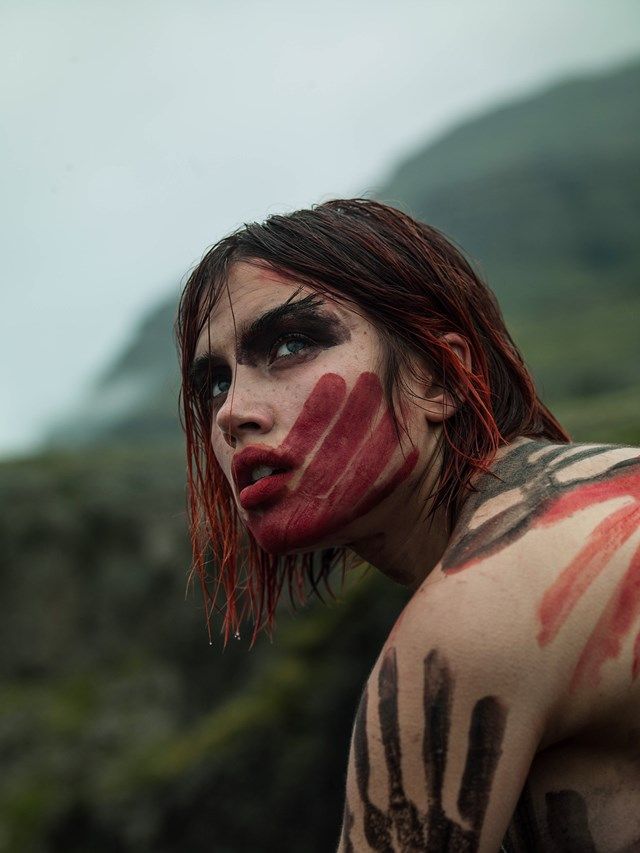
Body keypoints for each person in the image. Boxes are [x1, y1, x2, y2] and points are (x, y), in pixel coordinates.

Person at [176, 198, 640, 851]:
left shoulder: (479, 616)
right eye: (216, 382)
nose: (232, 414)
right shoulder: (610, 485)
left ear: (438, 375)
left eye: (289, 343)